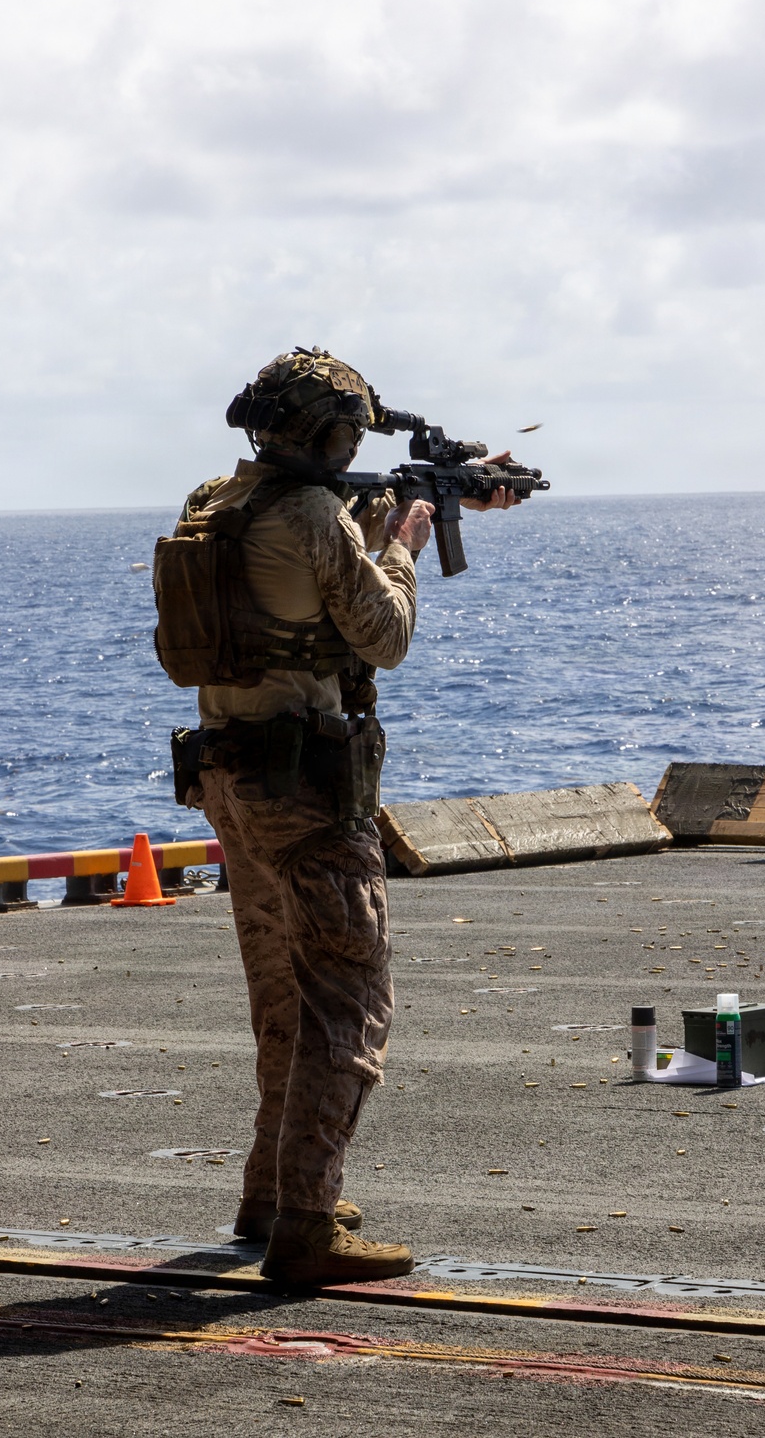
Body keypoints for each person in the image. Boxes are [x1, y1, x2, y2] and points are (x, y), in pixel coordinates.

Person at [167, 346, 515, 1290]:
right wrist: (402, 537)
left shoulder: (217, 502)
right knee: (348, 1003)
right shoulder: (319, 515)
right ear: (330, 435)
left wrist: (399, 513)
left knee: (282, 994)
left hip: (230, 780)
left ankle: (270, 1194)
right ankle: (307, 1228)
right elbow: (384, 635)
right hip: (311, 790)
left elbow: (293, 585)